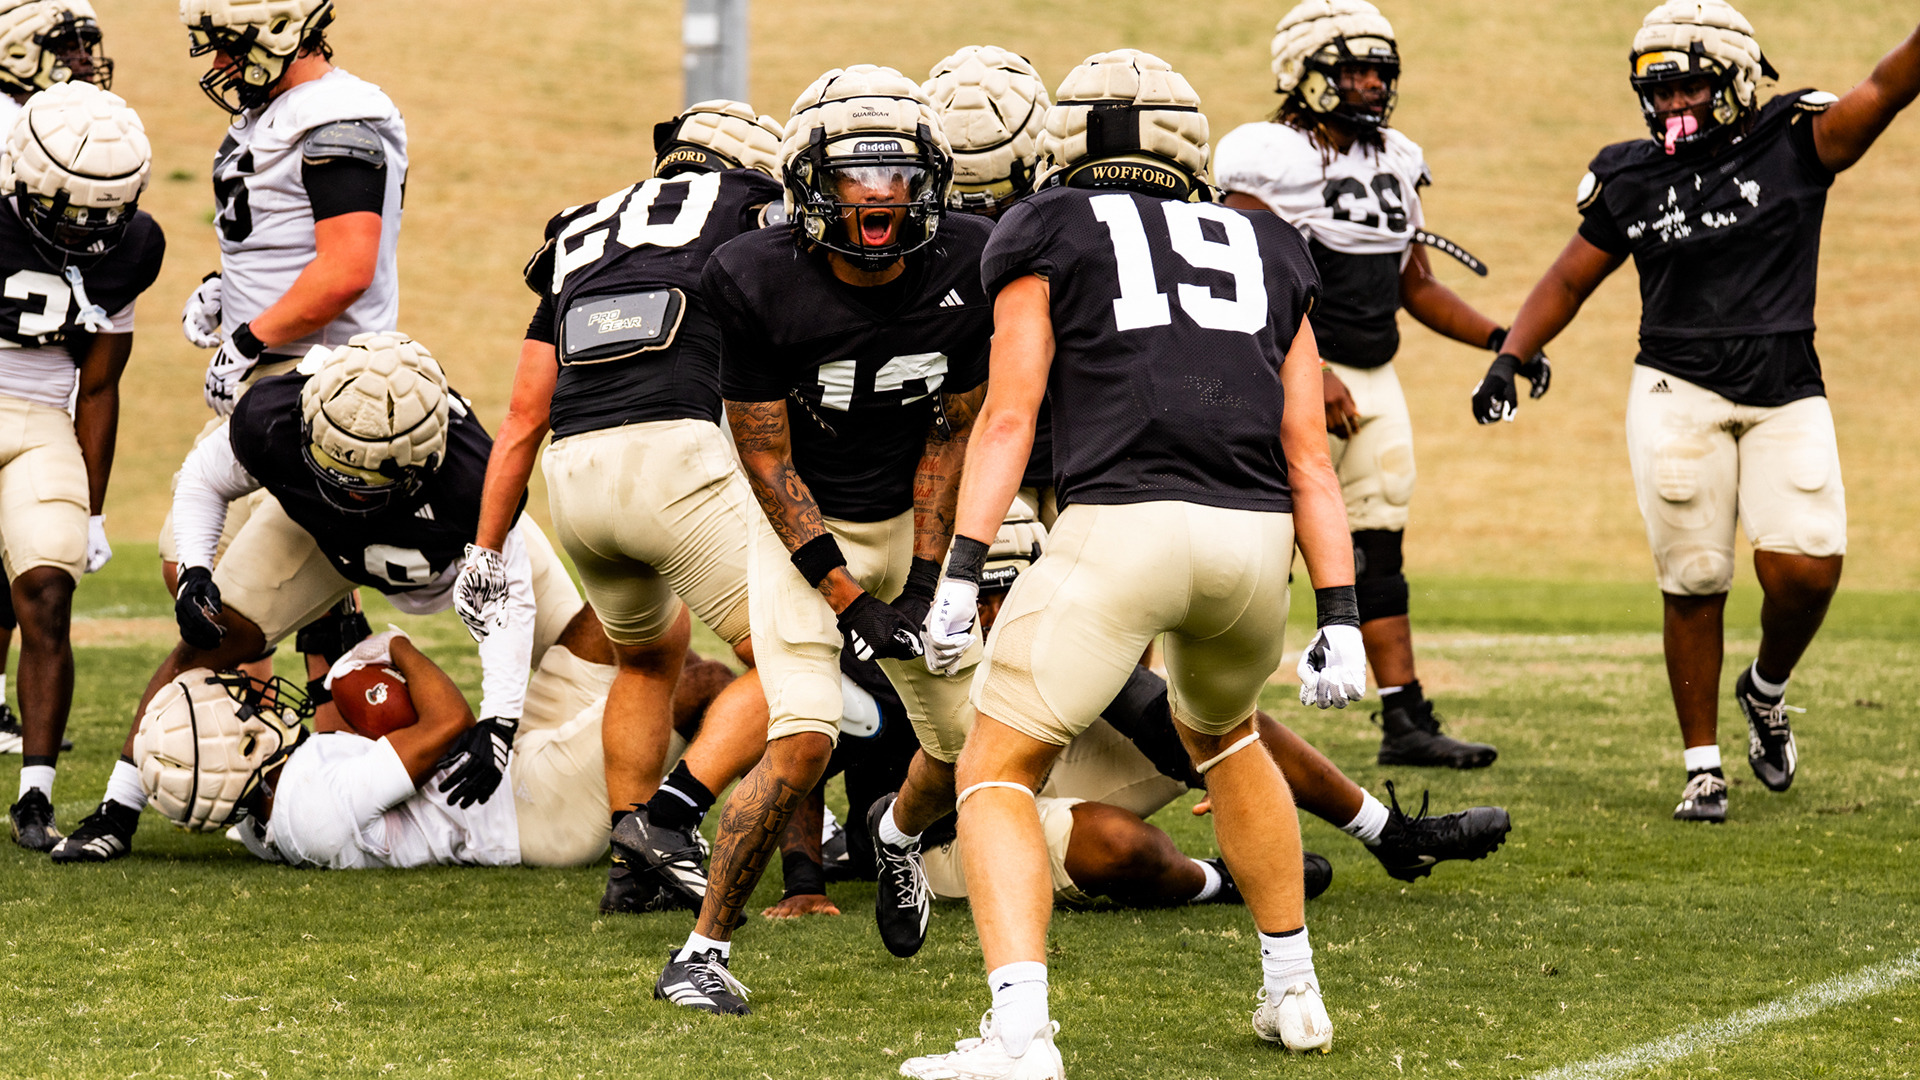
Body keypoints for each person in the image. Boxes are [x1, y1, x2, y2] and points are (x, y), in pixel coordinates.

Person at [908, 49, 1365, 1073]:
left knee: (993, 768)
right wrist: (1339, 614)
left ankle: (1021, 1034)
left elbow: (1011, 415)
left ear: (1067, 141)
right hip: (1256, 548)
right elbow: (1309, 458)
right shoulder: (1270, 244)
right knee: (1228, 737)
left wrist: (957, 572)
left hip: (1123, 528)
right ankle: (1294, 994)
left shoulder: (1047, 225)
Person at [1487, 1, 1920, 822]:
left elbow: (1886, 91)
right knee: (1694, 576)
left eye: (1690, 87)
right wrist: (1514, 352)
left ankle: (1766, 689)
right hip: (1675, 387)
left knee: (1808, 560)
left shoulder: (1798, 139)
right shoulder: (1632, 174)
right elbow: (1572, 276)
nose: (1673, 105)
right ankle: (1703, 766)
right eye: (1661, 91)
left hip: (1785, 385)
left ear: (1737, 82)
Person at [651, 65, 991, 1017]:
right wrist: (853, 600)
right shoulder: (751, 277)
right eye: (854, 175)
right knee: (801, 741)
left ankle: (892, 838)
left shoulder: (974, 257)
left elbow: (951, 430)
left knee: (971, 751)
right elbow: (765, 462)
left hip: (913, 519)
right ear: (807, 183)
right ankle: (701, 951)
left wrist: (927, 580)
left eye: (898, 174)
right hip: (804, 527)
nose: (879, 195)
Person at [49, 333, 614, 862]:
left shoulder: (474, 479)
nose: (343, 486)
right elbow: (206, 477)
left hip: (447, 558)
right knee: (213, 636)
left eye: (359, 479)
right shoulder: (276, 415)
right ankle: (117, 810)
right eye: (332, 467)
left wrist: (499, 722)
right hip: (314, 539)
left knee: (596, 641)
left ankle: (634, 795)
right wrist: (197, 568)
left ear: (423, 461)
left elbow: (504, 597)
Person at [463, 100, 786, 915]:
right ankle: (670, 822)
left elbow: (522, 417)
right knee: (800, 660)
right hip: (671, 459)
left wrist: (485, 546)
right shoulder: (751, 206)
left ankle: (630, 867)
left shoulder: (581, 232)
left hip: (573, 479)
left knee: (648, 654)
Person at [1213, 0, 1524, 770]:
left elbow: (1411, 283)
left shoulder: (1396, 157)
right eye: (1352, 70)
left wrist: (1503, 338)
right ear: (1303, 74)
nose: (1371, 85)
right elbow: (1236, 272)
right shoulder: (1267, 156)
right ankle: (1213, 727)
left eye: (1380, 71)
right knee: (1255, 550)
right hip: (1276, 365)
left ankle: (1404, 719)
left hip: (1373, 372)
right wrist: (1307, 366)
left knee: (1379, 547)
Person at [161, 0, 406, 648]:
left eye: (229, 46)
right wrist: (230, 292)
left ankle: (274, 726)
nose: (218, 64)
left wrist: (247, 338)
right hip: (277, 372)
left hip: (318, 377)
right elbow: (282, 240)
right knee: (225, 576)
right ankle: (266, 730)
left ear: (280, 35)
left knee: (223, 577)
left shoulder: (338, 119)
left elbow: (347, 266)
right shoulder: (269, 115)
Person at [0, 83, 160, 849]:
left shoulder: (136, 245)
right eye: (71, 208)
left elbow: (98, 382)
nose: (87, 230)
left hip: (42, 421)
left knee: (47, 588)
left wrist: (94, 509)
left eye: (104, 212)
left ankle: (34, 796)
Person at [130, 628, 615, 869]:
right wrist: (393, 644)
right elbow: (451, 724)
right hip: (527, 809)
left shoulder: (261, 818)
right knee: (678, 684)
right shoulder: (314, 803)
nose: (254, 695)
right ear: (237, 749)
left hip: (503, 773)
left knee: (602, 623)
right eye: (237, 704)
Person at [0, 0, 111, 759]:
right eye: (66, 43)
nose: (83, 57)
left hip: (39, 390)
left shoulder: (62, 123)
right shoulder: (16, 125)